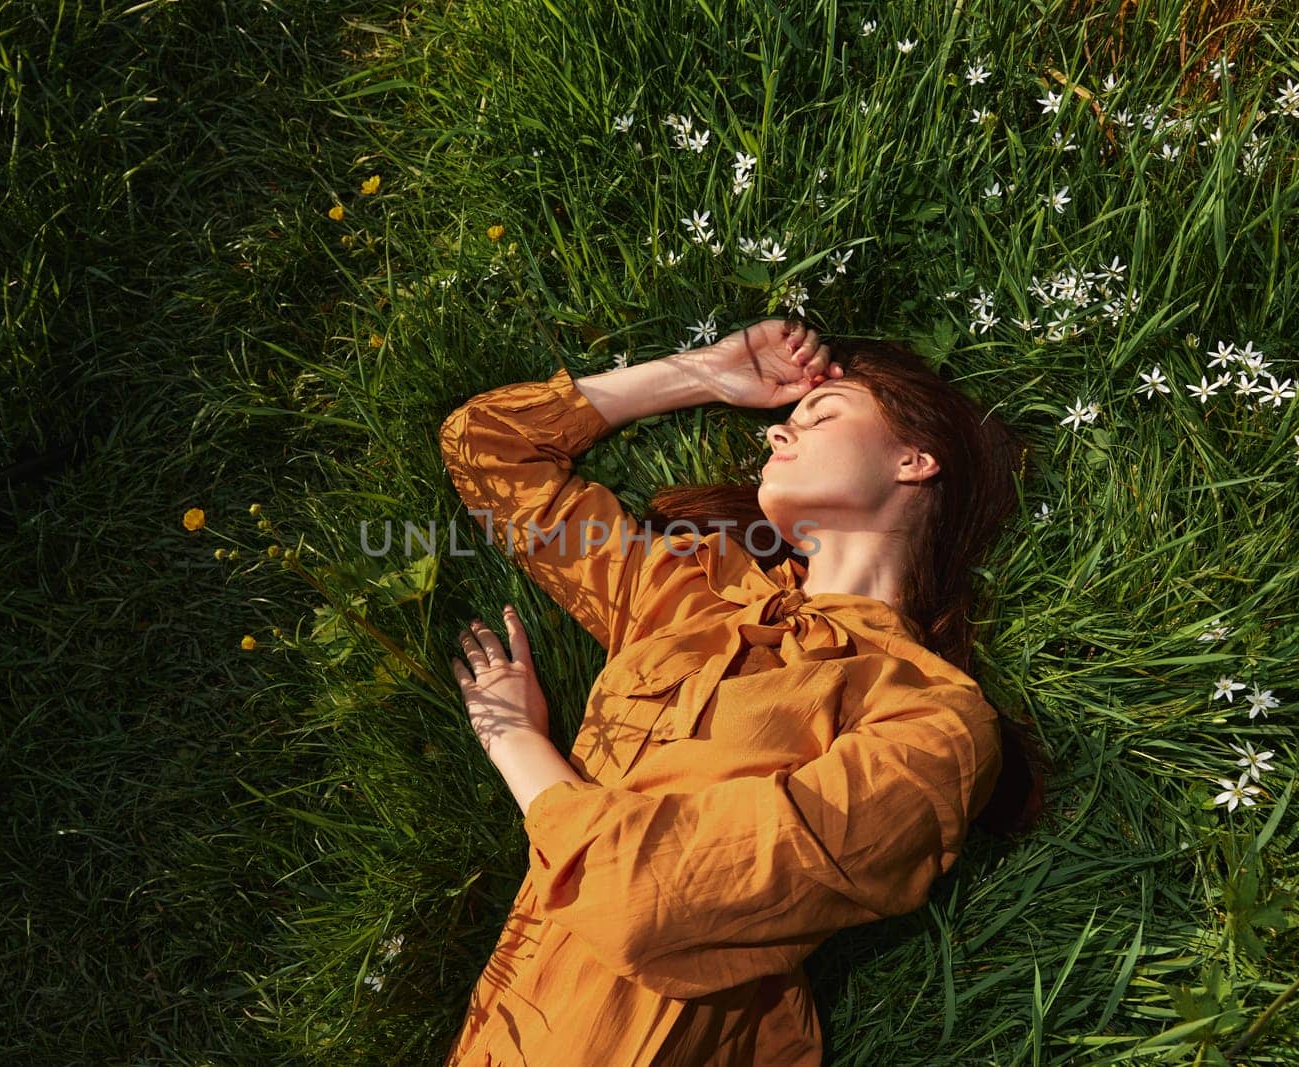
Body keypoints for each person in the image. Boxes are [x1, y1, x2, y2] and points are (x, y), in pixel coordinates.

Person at [441, 318, 1049, 1065]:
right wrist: (700, 373)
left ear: (915, 460)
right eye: (784, 420)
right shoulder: (686, 596)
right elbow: (487, 446)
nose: (775, 435)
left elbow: (650, 900)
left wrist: (515, 742)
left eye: (822, 413)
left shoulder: (934, 723)